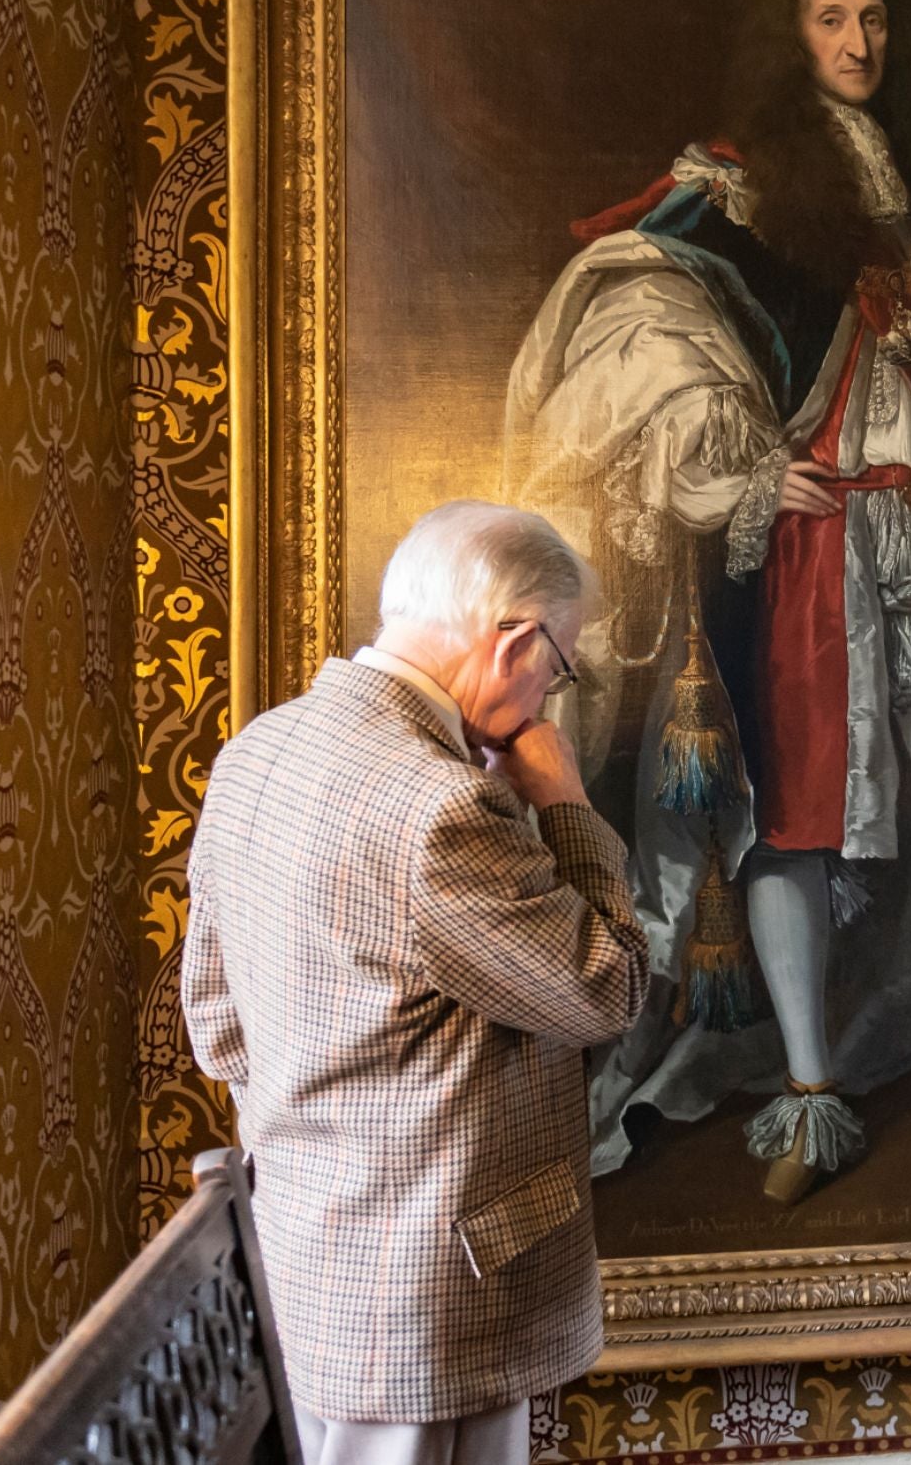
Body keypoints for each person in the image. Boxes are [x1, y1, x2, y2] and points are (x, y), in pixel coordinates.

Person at [507, 0, 911, 1201]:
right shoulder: (736, 183)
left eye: (872, 18)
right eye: (831, 18)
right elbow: (631, 303)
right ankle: (811, 1100)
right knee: (793, 837)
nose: (857, 40)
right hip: (812, 559)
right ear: (790, 35)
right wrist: (748, 468)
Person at [180, 500, 649, 1465]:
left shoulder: (255, 752)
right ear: (513, 639)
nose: (548, 703)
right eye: (558, 668)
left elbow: (217, 1022)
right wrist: (564, 803)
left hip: (305, 1253)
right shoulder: (442, 806)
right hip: (431, 1288)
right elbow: (607, 986)